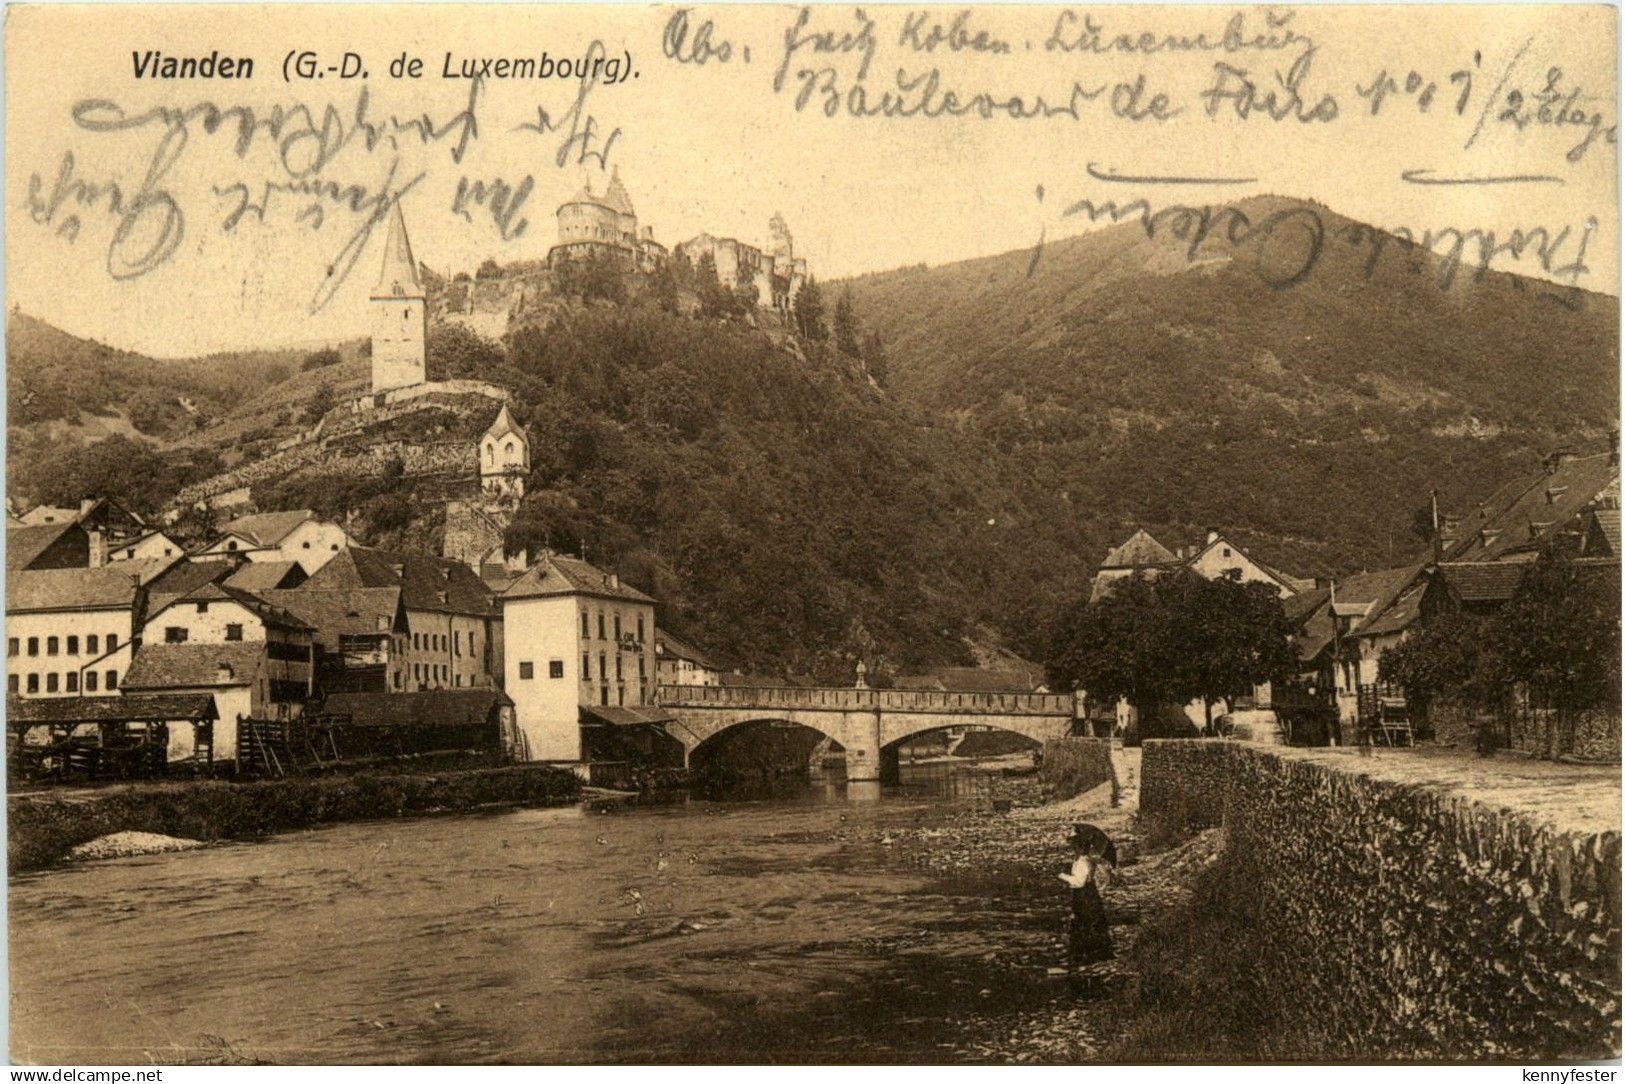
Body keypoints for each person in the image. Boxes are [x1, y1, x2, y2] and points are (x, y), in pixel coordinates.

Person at [1059, 823, 1115, 997]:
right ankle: (1090, 953)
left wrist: (1062, 876)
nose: (1073, 849)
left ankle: (1089, 955)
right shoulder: (1083, 861)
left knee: (1086, 921)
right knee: (1086, 921)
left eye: (1075, 846)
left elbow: (1080, 882)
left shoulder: (1084, 862)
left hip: (1085, 896)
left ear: (1080, 847)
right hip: (1086, 896)